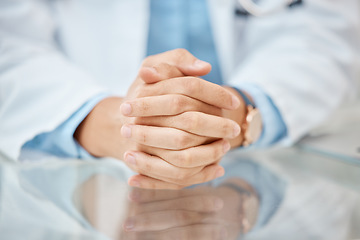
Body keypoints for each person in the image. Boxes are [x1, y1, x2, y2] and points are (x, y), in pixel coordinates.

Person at [0, 0, 359, 189]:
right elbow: (9, 42)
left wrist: (236, 115)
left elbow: (327, 30)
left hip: (272, 173)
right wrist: (113, 123)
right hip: (79, 178)